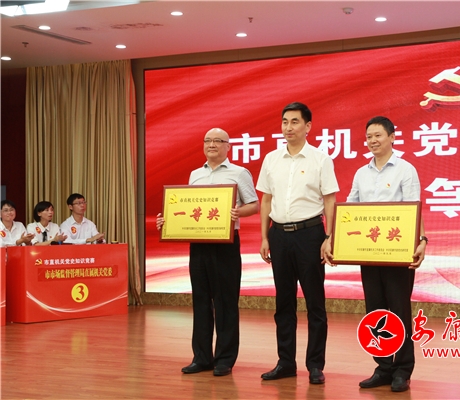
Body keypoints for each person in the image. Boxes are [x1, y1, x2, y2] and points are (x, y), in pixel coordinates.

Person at [156, 127, 259, 377]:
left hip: (225, 244)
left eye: (218, 141)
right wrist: (168, 220)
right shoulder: (195, 174)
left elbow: (254, 205)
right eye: (207, 140)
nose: (212, 144)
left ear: (228, 146)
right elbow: (189, 209)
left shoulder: (239, 173)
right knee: (201, 300)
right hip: (199, 244)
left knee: (225, 302)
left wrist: (236, 212)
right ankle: (201, 357)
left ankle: (224, 359)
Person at [256, 102, 339, 385]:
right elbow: (266, 200)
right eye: (284, 122)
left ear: (308, 126)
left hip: (310, 235)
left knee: (315, 302)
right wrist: (265, 236)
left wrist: (329, 237)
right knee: (284, 302)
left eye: (294, 122)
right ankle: (285, 362)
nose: (288, 127)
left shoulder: (320, 159)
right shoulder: (271, 159)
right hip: (279, 235)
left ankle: (315, 364)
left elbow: (330, 200)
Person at [346, 116, 427, 393]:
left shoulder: (405, 169)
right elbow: (351, 209)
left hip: (397, 253)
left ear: (392, 137)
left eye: (378, 135)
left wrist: (422, 241)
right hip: (369, 253)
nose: (373, 141)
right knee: (375, 311)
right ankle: (383, 367)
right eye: (369, 136)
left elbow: (415, 208)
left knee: (399, 311)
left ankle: (402, 369)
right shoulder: (361, 173)